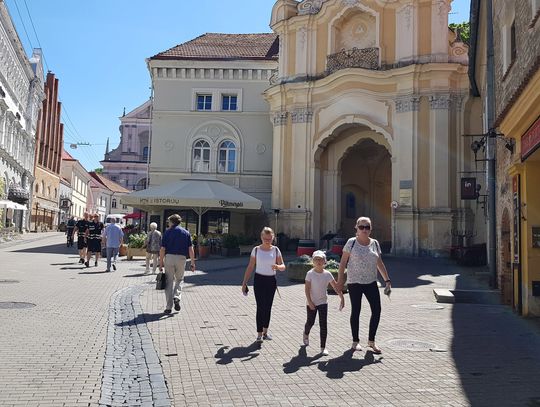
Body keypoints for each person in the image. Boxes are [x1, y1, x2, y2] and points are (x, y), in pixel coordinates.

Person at [337, 216, 391, 354]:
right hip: (354, 282)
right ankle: (355, 342)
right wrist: (339, 281)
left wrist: (387, 280)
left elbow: (379, 263)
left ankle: (371, 341)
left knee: (377, 310)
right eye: (362, 227)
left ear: (371, 229)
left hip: (371, 282)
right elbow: (343, 263)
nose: (364, 229)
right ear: (356, 228)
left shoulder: (375, 243)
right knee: (356, 311)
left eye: (367, 227)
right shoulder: (351, 242)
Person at [241, 227, 286, 343]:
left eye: (269, 238)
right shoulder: (256, 250)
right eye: (265, 238)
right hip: (259, 279)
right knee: (260, 306)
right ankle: (259, 334)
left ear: (273, 238)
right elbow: (250, 267)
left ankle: (265, 331)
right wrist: (244, 282)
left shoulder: (276, 250)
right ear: (261, 237)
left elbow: (283, 266)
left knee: (268, 306)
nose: (267, 240)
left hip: (271, 280)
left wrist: (278, 267)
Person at [303, 250, 344, 356]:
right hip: (311, 303)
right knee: (310, 322)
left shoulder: (327, 274)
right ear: (313, 262)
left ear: (324, 261)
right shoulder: (310, 274)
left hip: (323, 303)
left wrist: (342, 298)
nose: (318, 262)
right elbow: (307, 289)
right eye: (316, 260)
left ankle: (323, 347)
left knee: (323, 325)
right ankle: (306, 333)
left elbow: (335, 287)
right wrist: (310, 302)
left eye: (321, 260)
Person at [159, 214, 196, 314]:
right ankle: (177, 296)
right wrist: (192, 263)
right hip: (181, 258)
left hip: (169, 258)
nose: (168, 223)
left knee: (169, 282)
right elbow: (190, 249)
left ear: (172, 222)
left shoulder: (167, 232)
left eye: (169, 221)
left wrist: (160, 262)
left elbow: (162, 249)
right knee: (179, 279)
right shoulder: (186, 232)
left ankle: (168, 307)